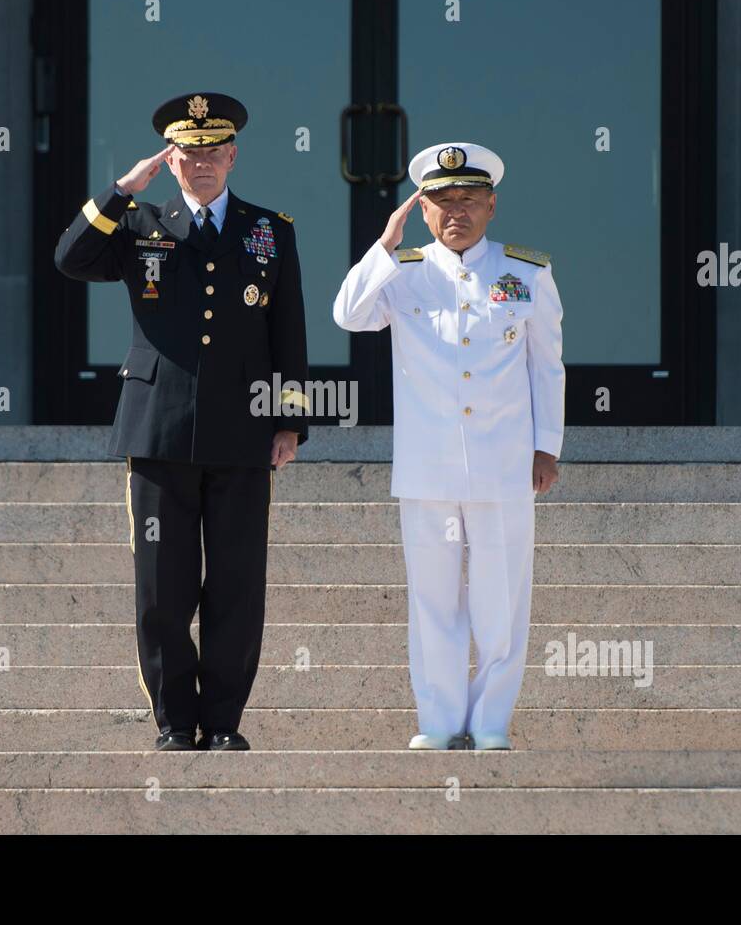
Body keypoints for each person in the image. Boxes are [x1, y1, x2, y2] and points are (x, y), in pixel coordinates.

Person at [54, 92, 309, 752]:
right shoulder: (141, 223)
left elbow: (290, 331)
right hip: (159, 429)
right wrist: (119, 190)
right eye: (187, 154)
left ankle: (223, 721)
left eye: (212, 152)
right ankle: (174, 719)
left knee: (236, 582)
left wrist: (290, 422)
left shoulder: (269, 230)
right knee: (163, 585)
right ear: (171, 162)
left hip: (244, 432)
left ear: (232, 155)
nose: (201, 164)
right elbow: (70, 258)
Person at [332, 142, 565, 751]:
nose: (454, 210)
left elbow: (547, 367)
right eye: (440, 200)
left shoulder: (527, 272)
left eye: (467, 199)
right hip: (428, 466)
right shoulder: (401, 270)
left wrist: (548, 446)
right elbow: (348, 315)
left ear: (492, 205)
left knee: (501, 602)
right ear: (424, 209)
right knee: (433, 603)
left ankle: (490, 723)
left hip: (505, 462)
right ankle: (437, 722)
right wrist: (383, 245)